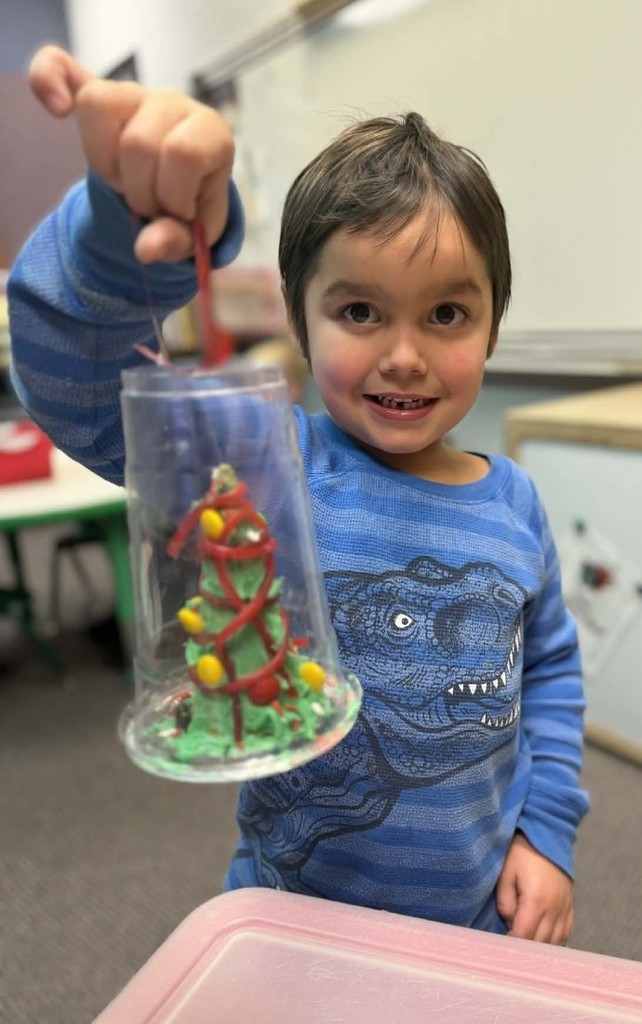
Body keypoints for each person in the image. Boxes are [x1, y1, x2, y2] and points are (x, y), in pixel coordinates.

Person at [9, 45, 589, 944]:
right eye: (359, 311)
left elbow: (549, 671)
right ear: (297, 316)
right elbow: (76, 387)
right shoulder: (265, 464)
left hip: (477, 921)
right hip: (295, 916)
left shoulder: (514, 503)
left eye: (446, 314)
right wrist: (120, 240)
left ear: (492, 323)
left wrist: (545, 834)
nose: (405, 355)